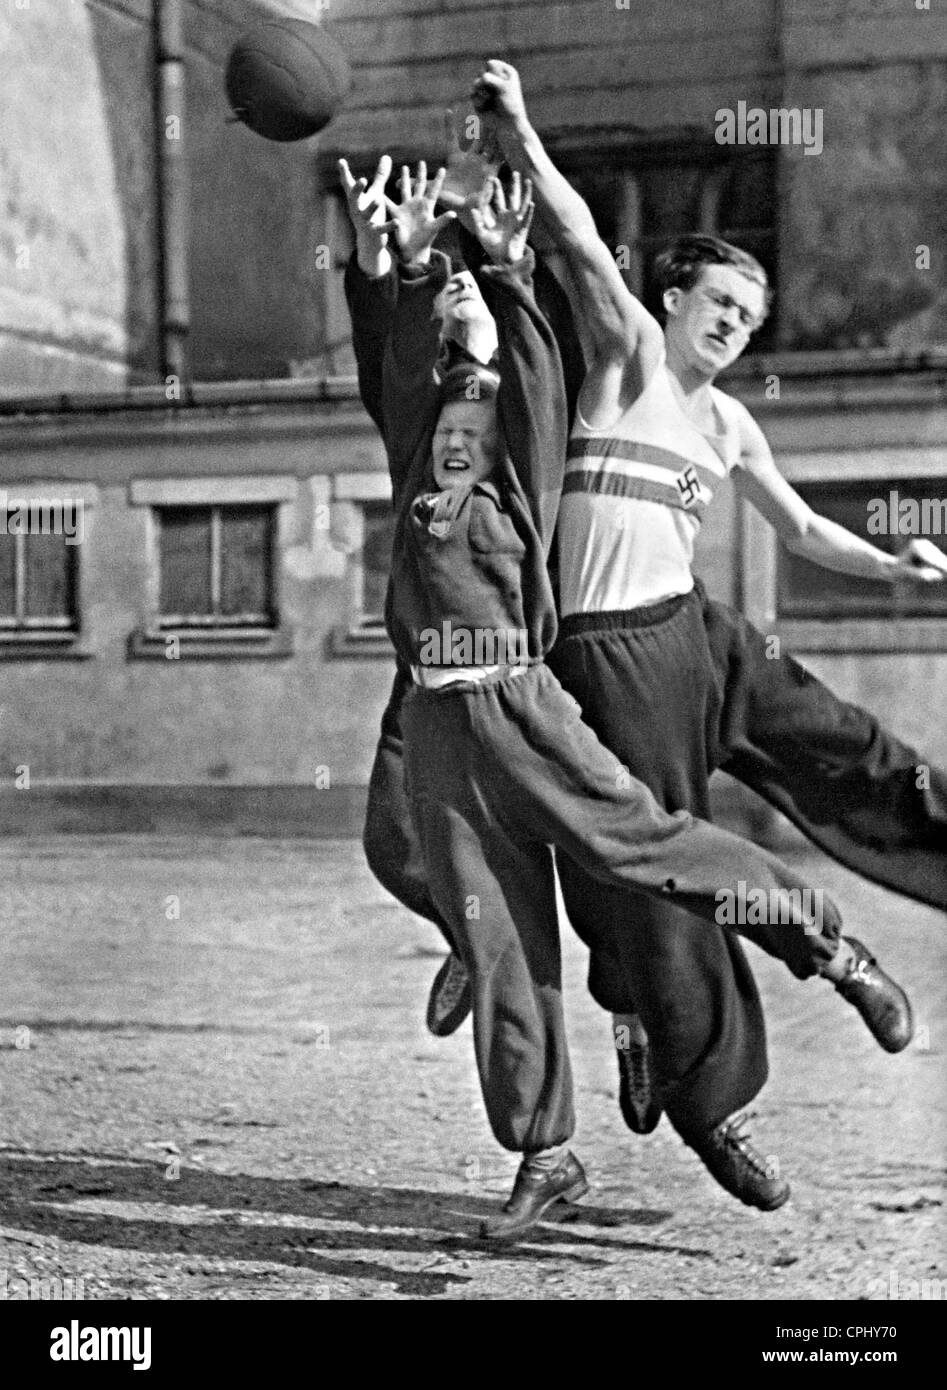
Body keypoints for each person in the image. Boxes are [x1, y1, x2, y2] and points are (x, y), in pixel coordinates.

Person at [442, 57, 941, 1189]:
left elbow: (803, 530)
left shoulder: (723, 426)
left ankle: (926, 858)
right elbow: (567, 233)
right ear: (667, 298)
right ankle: (697, 1090)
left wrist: (894, 563)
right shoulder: (622, 363)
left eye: (750, 319)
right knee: (650, 881)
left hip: (696, 634)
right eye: (719, 304)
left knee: (847, 742)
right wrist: (516, 130)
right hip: (605, 657)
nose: (733, 328)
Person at [340, 154, 857, 1237]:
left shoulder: (525, 445)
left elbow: (526, 361)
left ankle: (815, 938)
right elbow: (390, 362)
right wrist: (391, 257)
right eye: (449, 309)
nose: (452, 434)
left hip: (526, 701)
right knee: (486, 931)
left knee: (642, 848)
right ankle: (545, 1152)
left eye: (469, 304)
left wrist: (507, 262)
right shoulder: (418, 431)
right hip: (438, 719)